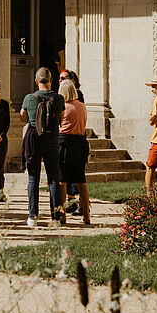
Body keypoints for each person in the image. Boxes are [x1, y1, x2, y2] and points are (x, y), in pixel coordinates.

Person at [19, 67, 64, 228]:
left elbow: (22, 115)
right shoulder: (58, 99)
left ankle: (33, 216)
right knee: (53, 178)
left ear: (36, 81)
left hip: (33, 138)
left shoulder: (29, 98)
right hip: (52, 137)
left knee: (33, 177)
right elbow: (62, 117)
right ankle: (56, 217)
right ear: (51, 80)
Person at [57, 79, 91, 225]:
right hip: (79, 143)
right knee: (81, 181)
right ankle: (87, 214)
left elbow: (59, 125)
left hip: (64, 143)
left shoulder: (63, 107)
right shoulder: (82, 106)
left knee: (62, 181)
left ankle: (62, 213)